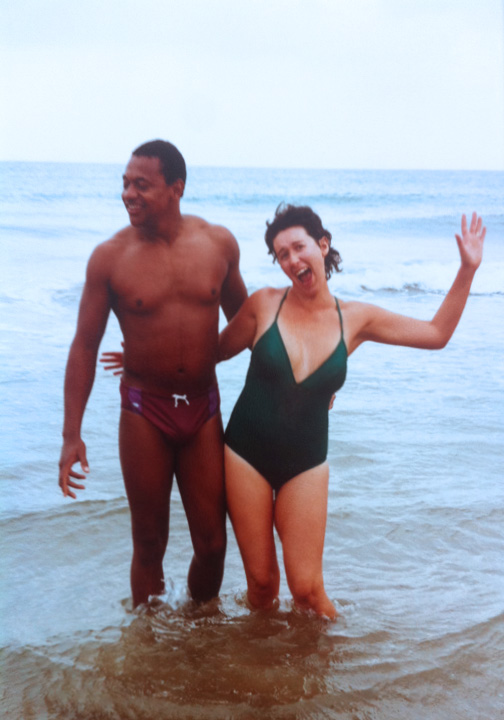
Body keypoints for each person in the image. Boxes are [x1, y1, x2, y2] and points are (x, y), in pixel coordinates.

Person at [218, 204, 485, 620]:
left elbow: (436, 334)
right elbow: (209, 354)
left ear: (323, 245)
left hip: (305, 462)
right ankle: (258, 657)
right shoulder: (263, 304)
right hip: (245, 455)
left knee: (308, 591)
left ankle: (339, 658)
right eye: (282, 254)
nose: (292, 259)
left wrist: (467, 269)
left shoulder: (356, 319)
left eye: (299, 247)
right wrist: (147, 358)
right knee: (262, 585)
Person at [58, 140, 248, 608]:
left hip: (203, 409)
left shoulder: (218, 244)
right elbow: (84, 347)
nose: (128, 194)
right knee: (148, 543)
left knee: (213, 544)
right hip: (145, 411)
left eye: (141, 185)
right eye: (125, 183)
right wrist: (71, 435)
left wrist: (305, 383)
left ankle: (199, 628)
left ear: (175, 188)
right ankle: (146, 639)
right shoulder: (110, 257)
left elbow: (248, 323)